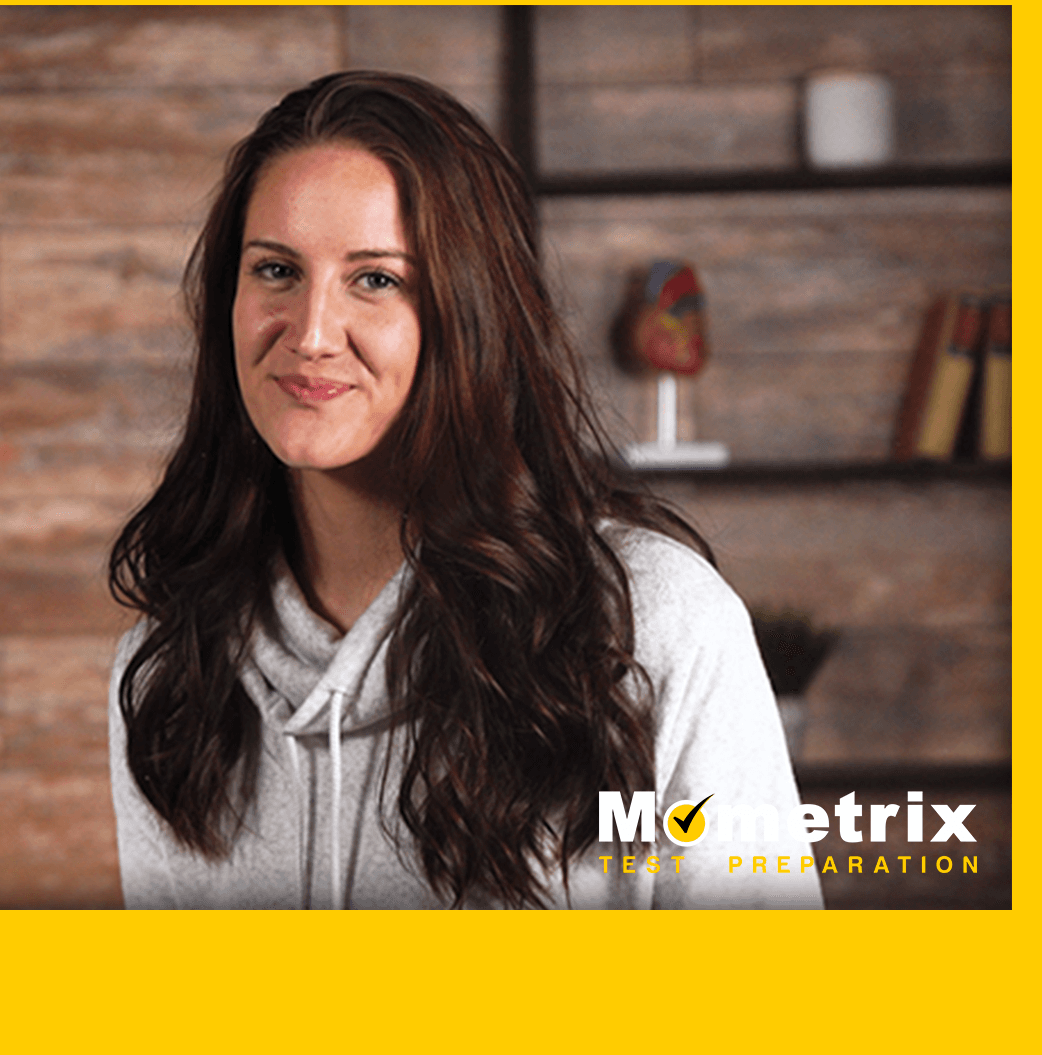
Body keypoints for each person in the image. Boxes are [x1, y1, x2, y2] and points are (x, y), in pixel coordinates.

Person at [106, 72, 822, 909]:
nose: (309, 333)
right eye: (275, 270)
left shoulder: (655, 625)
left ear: (467, 311)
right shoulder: (169, 670)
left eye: (375, 279)